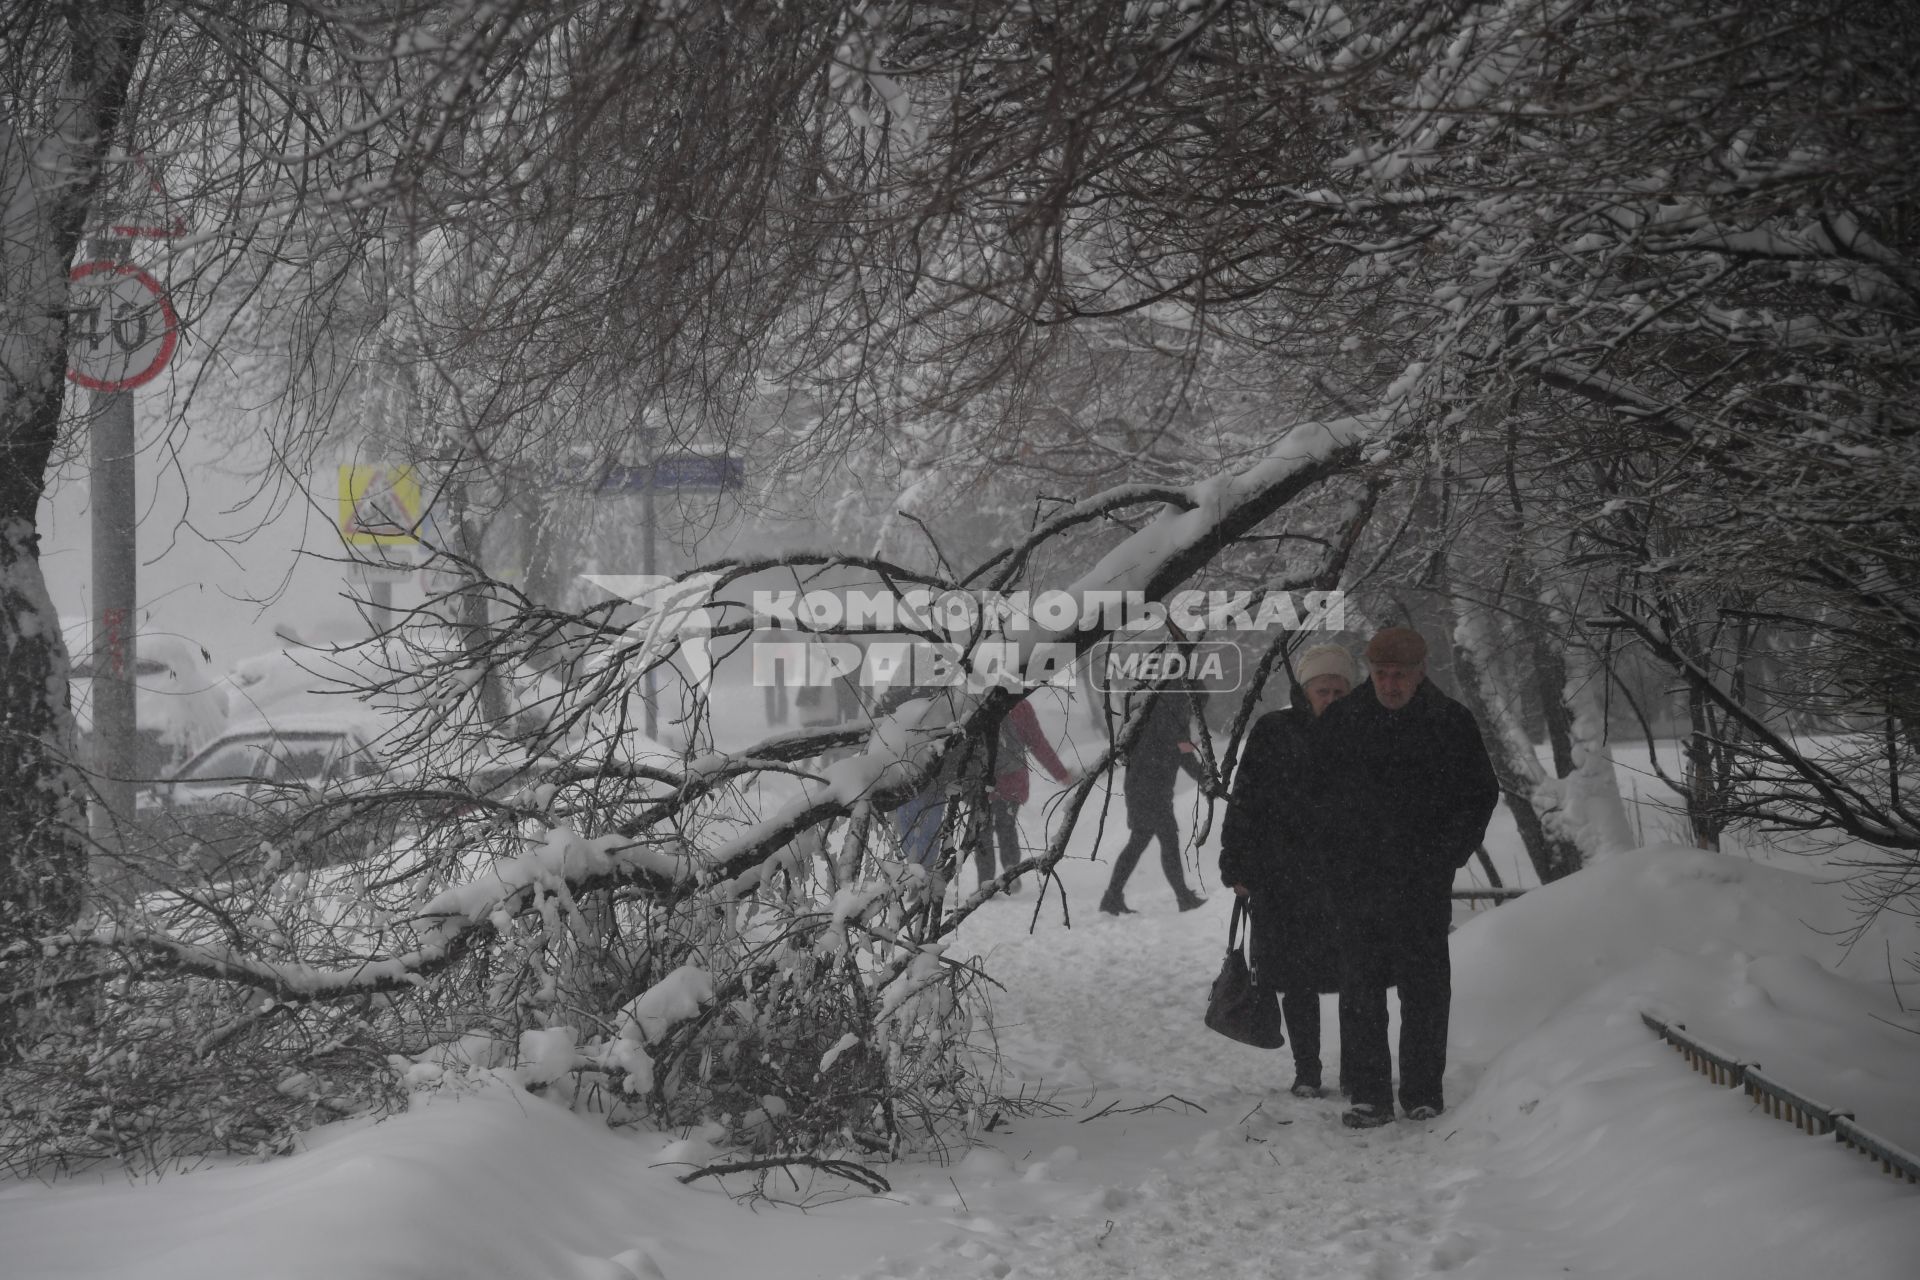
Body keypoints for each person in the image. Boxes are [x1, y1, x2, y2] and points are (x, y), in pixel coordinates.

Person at [1309, 627, 1499, 1129]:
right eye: (1380, 674)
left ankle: (1422, 1091)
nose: (1389, 684)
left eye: (1399, 675)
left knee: (1425, 989)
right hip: (1357, 880)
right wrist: (1332, 861)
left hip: (1422, 879)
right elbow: (1316, 798)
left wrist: (1447, 854)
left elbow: (1479, 794)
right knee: (1361, 990)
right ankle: (1369, 1095)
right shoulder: (1344, 721)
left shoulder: (1450, 723)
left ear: (1420, 673)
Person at [1219, 643, 1356, 1098]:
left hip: (1346, 876)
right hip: (1284, 877)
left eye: (1340, 689)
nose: (1332, 697)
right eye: (1324, 689)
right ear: (1305, 689)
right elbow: (1246, 801)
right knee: (1298, 981)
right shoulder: (1274, 730)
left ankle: (1357, 1067)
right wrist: (1237, 862)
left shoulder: (1365, 730)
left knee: (1357, 977)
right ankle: (1308, 1071)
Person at [1099, 686, 1208, 915]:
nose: (1195, 713)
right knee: (1167, 840)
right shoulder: (1170, 717)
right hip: (1151, 790)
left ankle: (1112, 896)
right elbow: (1184, 755)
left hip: (1144, 787)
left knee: (1140, 841)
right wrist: (1206, 781)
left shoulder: (1154, 710)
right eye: (1196, 707)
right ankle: (1182, 897)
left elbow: (1180, 751)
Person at [981, 698, 1074, 894]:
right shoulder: (1019, 705)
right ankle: (1011, 873)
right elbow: (1038, 743)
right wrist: (1060, 773)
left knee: (982, 831)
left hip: (981, 779)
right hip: (1013, 780)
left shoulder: (977, 702)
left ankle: (985, 880)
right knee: (1006, 827)